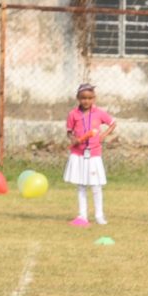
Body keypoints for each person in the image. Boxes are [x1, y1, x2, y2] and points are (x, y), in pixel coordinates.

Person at [64, 82, 116, 227]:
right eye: (83, 98)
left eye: (89, 98)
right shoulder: (73, 114)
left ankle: (99, 215)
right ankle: (82, 215)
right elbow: (69, 131)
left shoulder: (99, 113)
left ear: (94, 98)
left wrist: (103, 135)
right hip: (78, 154)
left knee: (96, 185)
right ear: (78, 98)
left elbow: (112, 123)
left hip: (93, 155)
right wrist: (73, 139)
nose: (86, 101)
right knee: (81, 185)